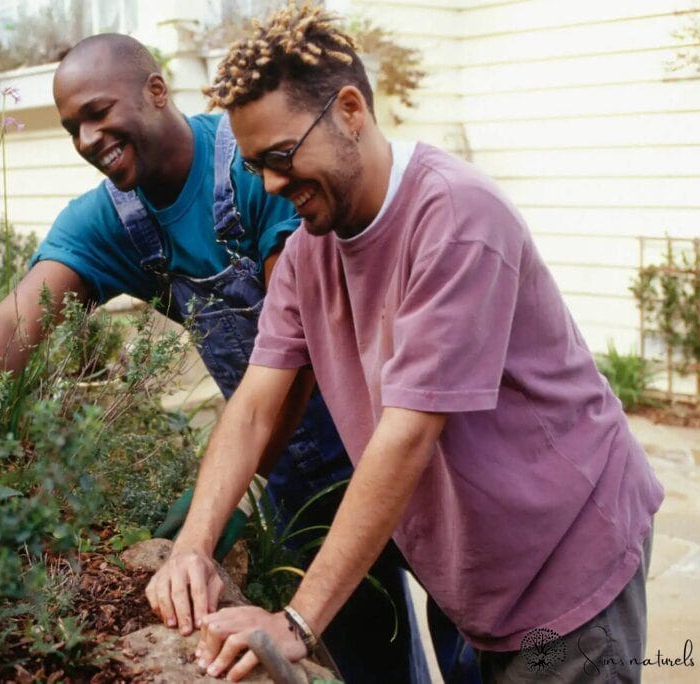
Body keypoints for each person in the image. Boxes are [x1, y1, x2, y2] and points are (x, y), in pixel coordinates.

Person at [0, 32, 448, 683]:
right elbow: (18, 316)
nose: (88, 138)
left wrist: (239, 490)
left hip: (399, 439)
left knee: (476, 637)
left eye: (98, 112)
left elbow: (302, 350)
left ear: (155, 91)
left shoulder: (260, 168)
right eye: (72, 128)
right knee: (366, 654)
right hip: (298, 476)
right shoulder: (112, 221)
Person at [145, 4, 665, 683]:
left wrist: (297, 622)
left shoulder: (455, 217)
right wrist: (193, 546)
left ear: (351, 110)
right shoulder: (308, 253)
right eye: (254, 168)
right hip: (477, 570)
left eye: (280, 156)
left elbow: (407, 435)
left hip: (567, 566)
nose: (271, 184)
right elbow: (254, 407)